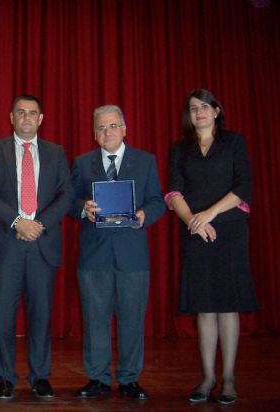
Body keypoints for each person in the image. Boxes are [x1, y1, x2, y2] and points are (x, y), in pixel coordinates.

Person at [166, 89, 258, 405]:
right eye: (193, 108)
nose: (199, 112)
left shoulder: (234, 143)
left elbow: (243, 187)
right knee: (204, 307)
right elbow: (174, 192)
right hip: (195, 233)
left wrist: (210, 213)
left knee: (227, 305)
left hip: (229, 231)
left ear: (217, 111)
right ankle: (208, 377)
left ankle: (229, 378)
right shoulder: (180, 148)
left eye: (205, 106)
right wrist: (194, 220)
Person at [0, 95, 73, 400]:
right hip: (7, 243)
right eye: (21, 112)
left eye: (33, 113)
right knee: (4, 315)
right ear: (11, 117)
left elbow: (66, 195)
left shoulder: (56, 153)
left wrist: (38, 225)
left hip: (42, 243)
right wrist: (18, 222)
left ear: (41, 119)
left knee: (41, 314)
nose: (27, 117)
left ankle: (40, 376)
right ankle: (5, 377)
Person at [70, 104, 165, 400]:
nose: (107, 132)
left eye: (113, 126)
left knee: (132, 319)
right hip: (93, 255)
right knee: (95, 319)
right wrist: (83, 209)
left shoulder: (145, 161)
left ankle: (129, 378)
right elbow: (69, 201)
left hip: (132, 253)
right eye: (101, 127)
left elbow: (157, 201)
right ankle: (97, 378)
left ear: (124, 129)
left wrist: (143, 216)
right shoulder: (82, 163)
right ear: (94, 133)